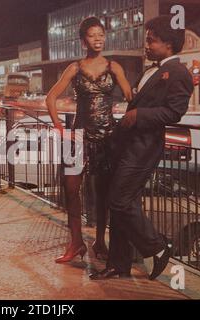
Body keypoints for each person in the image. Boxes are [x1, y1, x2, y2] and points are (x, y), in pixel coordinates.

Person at [90, 15, 194, 280]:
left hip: (144, 147)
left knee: (119, 200)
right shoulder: (153, 69)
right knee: (122, 202)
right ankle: (118, 263)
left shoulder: (179, 73)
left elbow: (174, 112)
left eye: (151, 41)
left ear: (169, 44)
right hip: (128, 145)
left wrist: (139, 115)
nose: (146, 45)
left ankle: (157, 248)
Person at [46, 17, 132, 263]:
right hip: (78, 137)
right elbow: (50, 98)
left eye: (101, 35)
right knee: (71, 191)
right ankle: (75, 243)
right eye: (93, 35)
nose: (98, 39)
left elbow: (130, 96)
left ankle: (100, 242)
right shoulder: (75, 68)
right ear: (84, 40)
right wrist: (60, 129)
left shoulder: (114, 67)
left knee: (103, 193)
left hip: (106, 138)